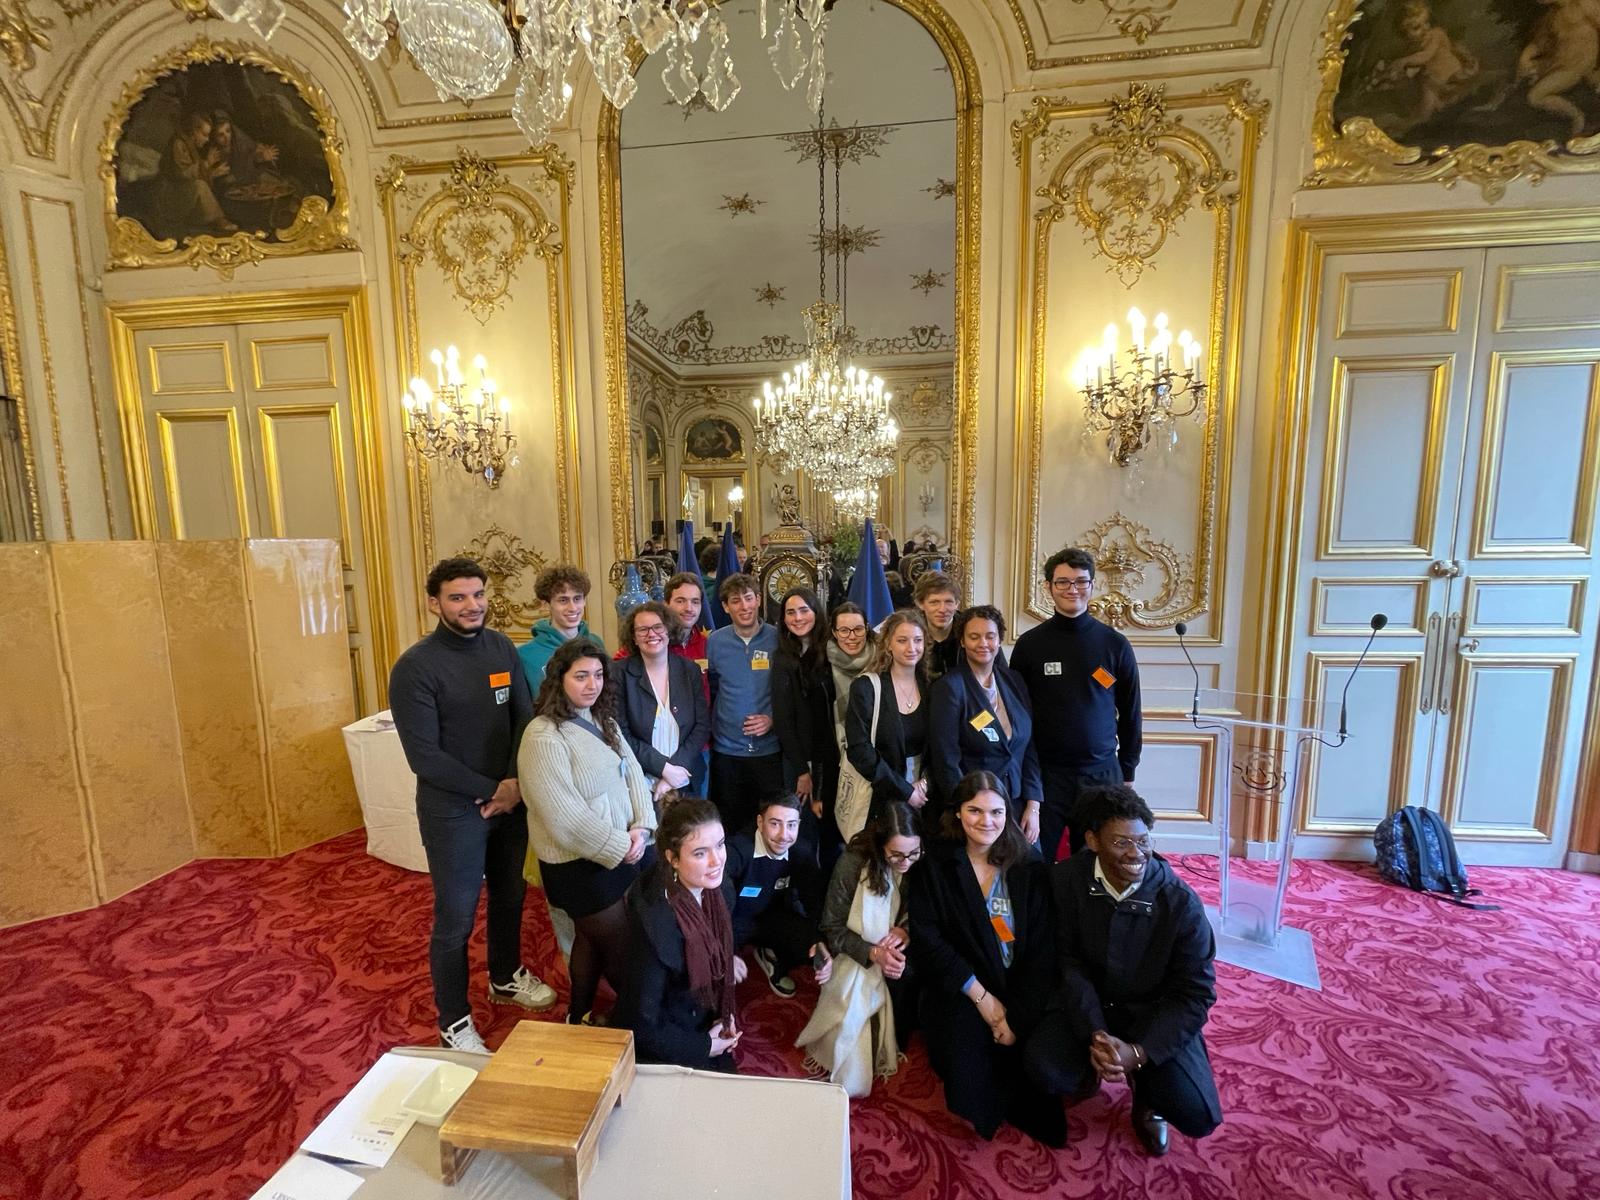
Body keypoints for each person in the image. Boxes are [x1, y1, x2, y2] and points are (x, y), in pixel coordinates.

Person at [388, 557, 558, 1053]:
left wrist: (514, 783)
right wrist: (494, 789)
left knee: (510, 896)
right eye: (458, 597)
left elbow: (523, 719)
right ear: (434, 603)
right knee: (456, 917)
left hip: (509, 798)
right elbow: (425, 758)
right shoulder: (416, 667)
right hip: (454, 810)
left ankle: (504, 976)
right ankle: (454, 1020)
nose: (471, 605)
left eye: (477, 594)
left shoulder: (501, 646)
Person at [1025, 784, 1221, 1156]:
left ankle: (1146, 1092)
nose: (1136, 854)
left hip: (1151, 1016)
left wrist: (1139, 1052)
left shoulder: (1181, 903)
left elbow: (1195, 993)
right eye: (1121, 843)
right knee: (1046, 1070)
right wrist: (1095, 1033)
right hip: (1087, 1007)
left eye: (1143, 841)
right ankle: (1089, 1069)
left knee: (1197, 1114)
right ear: (1093, 841)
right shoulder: (1065, 880)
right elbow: (1068, 962)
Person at [910, 772, 1062, 1146]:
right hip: (962, 986)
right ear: (958, 814)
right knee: (967, 1079)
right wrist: (984, 1001)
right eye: (974, 810)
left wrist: (1015, 1016)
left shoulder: (1029, 867)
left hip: (1021, 986)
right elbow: (929, 942)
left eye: (996, 812)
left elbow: (1043, 950)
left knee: (1043, 1074)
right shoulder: (935, 866)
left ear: (1008, 814)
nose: (986, 821)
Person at [518, 638, 657, 1025]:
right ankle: (642, 1021)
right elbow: (563, 816)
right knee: (623, 956)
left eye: (597, 675)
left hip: (621, 851)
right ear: (559, 679)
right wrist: (621, 845)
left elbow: (634, 779)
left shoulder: (603, 720)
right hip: (578, 866)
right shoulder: (543, 735)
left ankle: (578, 1013)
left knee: (590, 940)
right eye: (581, 676)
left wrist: (643, 828)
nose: (591, 684)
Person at [1009, 548, 1141, 862]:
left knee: (1099, 860)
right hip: (1046, 776)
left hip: (1102, 773)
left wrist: (1129, 770)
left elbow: (1131, 711)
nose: (1072, 589)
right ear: (1048, 587)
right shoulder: (1030, 646)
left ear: (1092, 586)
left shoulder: (1114, 644)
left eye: (1081, 582)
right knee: (1035, 860)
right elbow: (1016, 716)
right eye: (1063, 582)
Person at [797, 801, 921, 1097]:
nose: (905, 862)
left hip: (900, 946)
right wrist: (872, 952)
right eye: (896, 855)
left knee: (906, 1001)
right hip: (855, 952)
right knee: (854, 1034)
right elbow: (832, 926)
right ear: (880, 847)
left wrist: (905, 928)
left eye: (913, 853)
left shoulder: (919, 862)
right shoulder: (853, 862)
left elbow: (926, 912)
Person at [614, 798, 742, 1070]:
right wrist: (703, 1046)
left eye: (719, 845)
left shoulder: (719, 888)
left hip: (702, 1014)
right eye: (699, 853)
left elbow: (715, 959)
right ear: (672, 859)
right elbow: (640, 1022)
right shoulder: (656, 925)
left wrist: (723, 1014)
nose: (716, 860)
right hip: (666, 1033)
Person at [928, 605, 1044, 839]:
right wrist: (967, 810)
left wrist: (1034, 805)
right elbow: (945, 759)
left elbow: (1028, 747)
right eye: (974, 636)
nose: (983, 643)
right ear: (962, 641)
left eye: (990, 636)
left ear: (999, 640)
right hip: (975, 813)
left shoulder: (1014, 681)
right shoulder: (949, 688)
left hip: (1017, 807)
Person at [721, 793, 831, 998]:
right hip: (732, 921)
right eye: (775, 824)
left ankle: (772, 958)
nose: (784, 835)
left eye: (791, 825)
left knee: (814, 946)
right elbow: (715, 905)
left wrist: (818, 940)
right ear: (760, 822)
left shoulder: (802, 851)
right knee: (716, 974)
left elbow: (813, 900)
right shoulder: (736, 851)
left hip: (773, 916)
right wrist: (725, 954)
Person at [705, 573, 783, 835]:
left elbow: (788, 691)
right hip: (727, 751)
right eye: (736, 601)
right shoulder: (715, 642)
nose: (744, 606)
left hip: (768, 751)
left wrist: (772, 718)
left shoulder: (778, 639)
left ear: (759, 600)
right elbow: (712, 690)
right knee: (730, 824)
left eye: (749, 598)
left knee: (768, 823)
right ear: (726, 607)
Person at [614, 602, 710, 804]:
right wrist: (663, 769)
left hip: (686, 778)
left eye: (658, 627)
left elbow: (702, 726)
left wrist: (673, 775)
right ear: (633, 637)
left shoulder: (689, 670)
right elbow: (621, 733)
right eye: (642, 629)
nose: (652, 634)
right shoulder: (619, 673)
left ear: (668, 629)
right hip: (639, 781)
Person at [844, 610, 931, 831]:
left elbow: (941, 743)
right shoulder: (866, 687)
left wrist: (925, 783)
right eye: (902, 640)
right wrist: (904, 790)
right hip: (879, 795)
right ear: (888, 644)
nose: (911, 648)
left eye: (918, 640)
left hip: (925, 795)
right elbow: (859, 749)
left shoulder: (931, 686)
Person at [771, 586, 835, 839]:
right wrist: (802, 771)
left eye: (803, 610)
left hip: (833, 756)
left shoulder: (833, 650)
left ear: (816, 612)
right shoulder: (783, 658)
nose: (798, 618)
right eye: (790, 612)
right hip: (800, 759)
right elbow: (783, 719)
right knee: (802, 830)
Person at [519, 564, 600, 688]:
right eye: (563, 600)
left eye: (577, 599)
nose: (572, 608)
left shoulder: (596, 643)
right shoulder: (525, 656)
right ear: (546, 604)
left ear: (584, 601)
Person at [913, 572, 963, 681]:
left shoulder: (970, 630)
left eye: (948, 602)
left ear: (957, 604)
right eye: (934, 602)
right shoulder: (910, 633)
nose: (942, 609)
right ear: (920, 604)